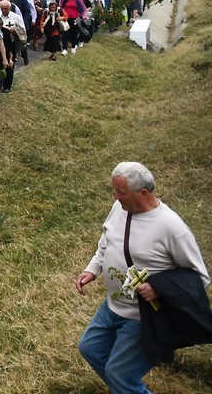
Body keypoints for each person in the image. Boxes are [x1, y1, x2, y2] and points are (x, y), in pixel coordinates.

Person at [76, 162, 209, 394]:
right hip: (112, 307)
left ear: (143, 193)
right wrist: (93, 269)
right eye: (114, 191)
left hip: (142, 318)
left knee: (119, 374)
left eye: (121, 192)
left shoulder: (172, 227)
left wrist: (158, 288)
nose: (116, 197)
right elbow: (107, 241)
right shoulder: (120, 208)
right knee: (91, 349)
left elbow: (198, 277)